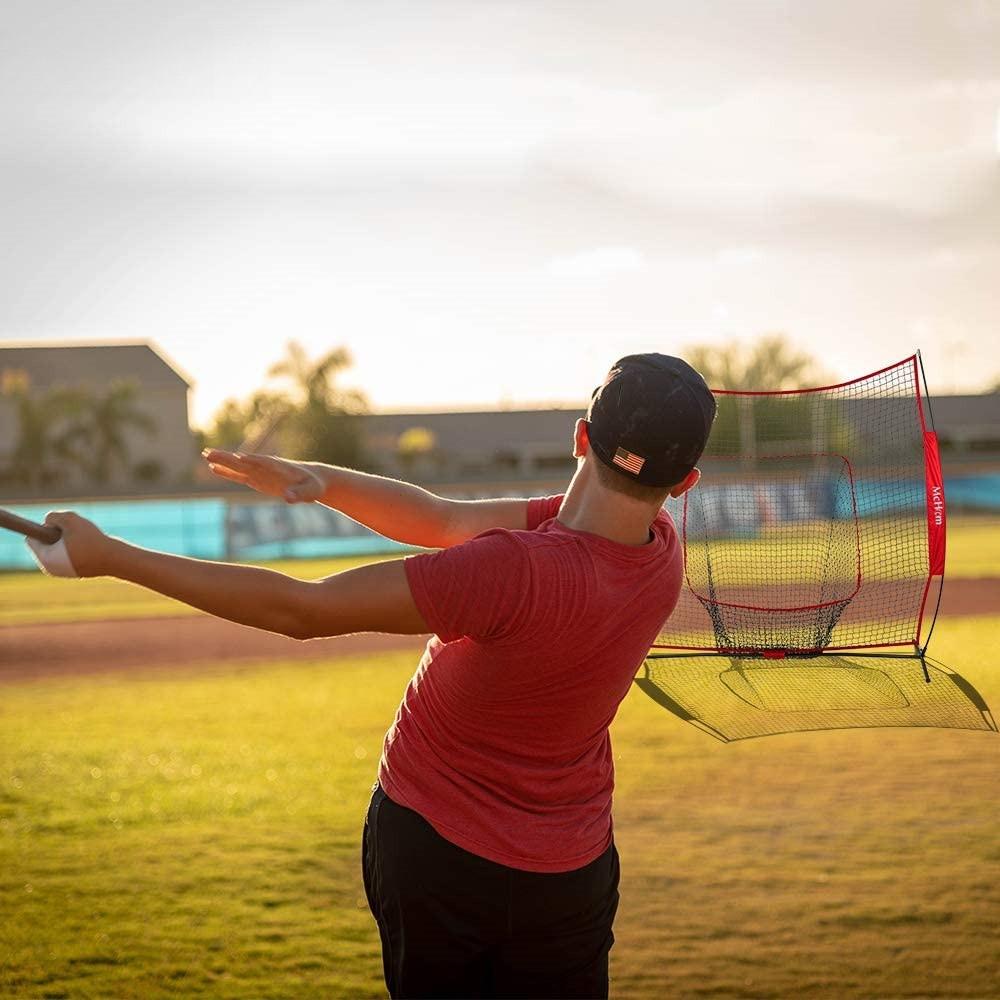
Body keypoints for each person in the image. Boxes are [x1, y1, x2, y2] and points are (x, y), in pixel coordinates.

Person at [33, 353, 716, 999]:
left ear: (579, 436)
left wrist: (111, 556)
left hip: (439, 854)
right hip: (571, 873)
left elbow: (303, 608)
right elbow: (441, 519)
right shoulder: (661, 553)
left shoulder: (513, 569)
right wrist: (320, 480)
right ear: (684, 482)